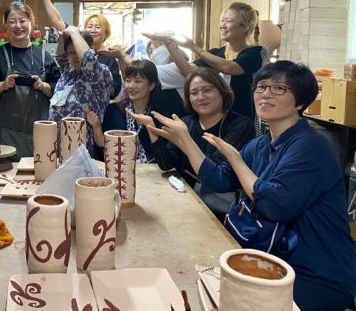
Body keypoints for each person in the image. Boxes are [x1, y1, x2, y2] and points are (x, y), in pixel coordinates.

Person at [148, 61, 356, 311]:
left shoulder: (310, 146)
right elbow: (218, 180)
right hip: (272, 260)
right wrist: (185, 140)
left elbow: (276, 205)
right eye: (261, 87)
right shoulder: (260, 145)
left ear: (300, 102)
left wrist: (236, 160)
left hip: (316, 274)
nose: (266, 94)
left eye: (279, 88)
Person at [132, 67, 254, 219]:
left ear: (222, 92)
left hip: (221, 211)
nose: (201, 97)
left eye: (207, 90)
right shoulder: (186, 123)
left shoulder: (241, 125)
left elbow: (215, 174)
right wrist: (151, 127)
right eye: (194, 93)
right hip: (184, 202)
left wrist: (184, 141)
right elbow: (166, 164)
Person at [144, 2, 267, 123]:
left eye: (228, 21)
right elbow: (189, 71)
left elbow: (229, 67)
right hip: (216, 120)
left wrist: (193, 47)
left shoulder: (257, 52)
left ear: (245, 27)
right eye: (222, 21)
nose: (222, 25)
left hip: (243, 121)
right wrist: (169, 45)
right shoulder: (216, 53)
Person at [0, 1, 60, 157]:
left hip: (40, 131)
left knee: (39, 168)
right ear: (6, 25)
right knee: (6, 168)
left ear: (31, 22)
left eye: (22, 20)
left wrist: (43, 86)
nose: (18, 26)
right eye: (12, 21)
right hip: (5, 132)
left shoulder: (44, 56)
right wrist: (3, 85)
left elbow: (59, 89)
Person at [28, 0, 122, 98]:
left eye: (98, 27)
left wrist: (97, 82)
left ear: (106, 33)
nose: (93, 30)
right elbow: (58, 21)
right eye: (89, 26)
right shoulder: (74, 47)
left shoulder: (109, 59)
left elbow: (114, 90)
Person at [88, 59, 179, 164]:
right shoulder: (113, 111)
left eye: (138, 81)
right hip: (120, 168)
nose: (131, 86)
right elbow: (104, 148)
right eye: (128, 80)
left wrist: (150, 127)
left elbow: (166, 161)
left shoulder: (160, 116)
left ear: (151, 86)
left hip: (152, 172)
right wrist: (96, 127)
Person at [49, 26, 112, 149]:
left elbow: (88, 60)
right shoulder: (68, 71)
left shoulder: (100, 73)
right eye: (71, 52)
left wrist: (74, 32)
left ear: (91, 49)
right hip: (55, 144)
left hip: (81, 146)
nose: (75, 57)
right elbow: (60, 57)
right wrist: (62, 39)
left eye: (77, 51)